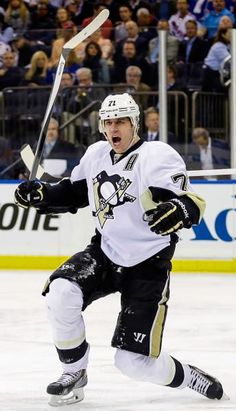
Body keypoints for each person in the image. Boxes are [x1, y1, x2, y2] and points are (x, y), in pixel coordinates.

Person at [14, 92, 226, 407]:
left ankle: (189, 375)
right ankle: (74, 372)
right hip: (105, 252)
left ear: (134, 124)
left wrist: (177, 210)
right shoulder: (97, 153)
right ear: (102, 127)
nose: (114, 128)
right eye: (108, 122)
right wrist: (43, 194)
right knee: (61, 291)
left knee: (133, 364)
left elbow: (190, 202)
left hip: (147, 265)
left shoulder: (157, 155)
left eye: (121, 121)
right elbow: (74, 192)